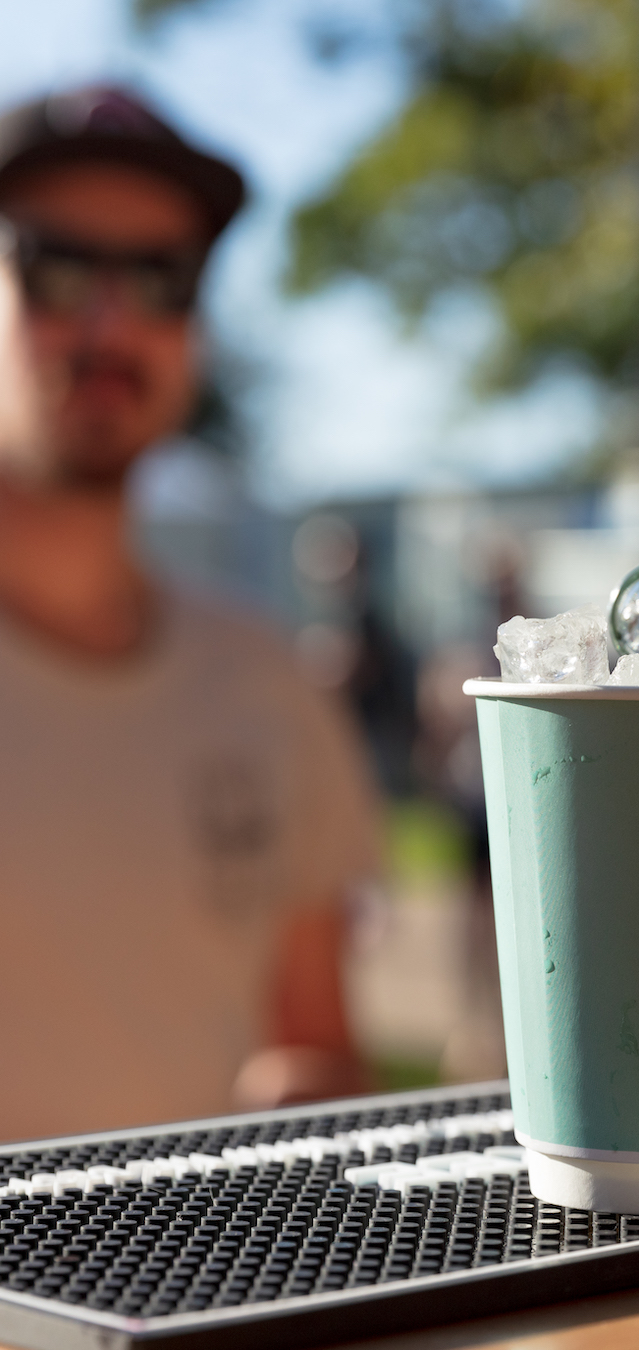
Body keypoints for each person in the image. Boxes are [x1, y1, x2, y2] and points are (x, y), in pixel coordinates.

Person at [0, 86, 383, 1140]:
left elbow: (313, 1044)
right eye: (57, 266)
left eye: (162, 277)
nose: (111, 322)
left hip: (188, 1303)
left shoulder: (261, 682)